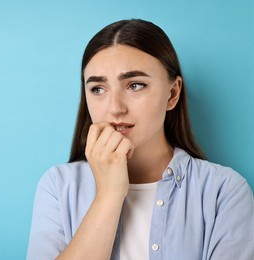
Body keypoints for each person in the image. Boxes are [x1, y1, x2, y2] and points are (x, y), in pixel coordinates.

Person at [27, 19, 254, 260]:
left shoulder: (224, 191)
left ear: (172, 93)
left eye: (135, 85)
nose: (115, 108)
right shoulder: (58, 186)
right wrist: (108, 194)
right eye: (97, 89)